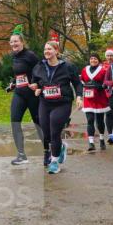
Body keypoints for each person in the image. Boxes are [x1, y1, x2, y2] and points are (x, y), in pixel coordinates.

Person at [29, 34, 83, 175]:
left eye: (50, 49)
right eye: (45, 49)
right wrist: (36, 88)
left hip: (62, 103)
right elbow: (35, 81)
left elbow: (77, 84)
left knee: (54, 130)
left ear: (56, 51)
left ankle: (54, 162)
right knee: (46, 132)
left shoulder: (68, 67)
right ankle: (61, 148)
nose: (47, 51)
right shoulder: (39, 66)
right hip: (45, 102)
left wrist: (79, 97)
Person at [4, 25, 43, 165]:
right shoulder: (14, 57)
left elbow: (40, 71)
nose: (14, 44)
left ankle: (50, 151)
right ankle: (21, 155)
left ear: (22, 42)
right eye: (12, 42)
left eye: (16, 41)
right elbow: (19, 75)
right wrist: (13, 83)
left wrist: (37, 83)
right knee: (15, 122)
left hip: (32, 94)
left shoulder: (30, 55)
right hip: (19, 93)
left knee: (39, 123)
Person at [80, 53, 110, 152]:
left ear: (99, 60)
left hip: (100, 98)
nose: (93, 60)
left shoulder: (103, 70)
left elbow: (106, 82)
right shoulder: (85, 70)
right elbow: (82, 81)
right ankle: (91, 142)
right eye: (92, 58)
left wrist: (102, 86)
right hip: (88, 98)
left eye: (95, 59)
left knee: (100, 121)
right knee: (90, 120)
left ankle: (101, 139)